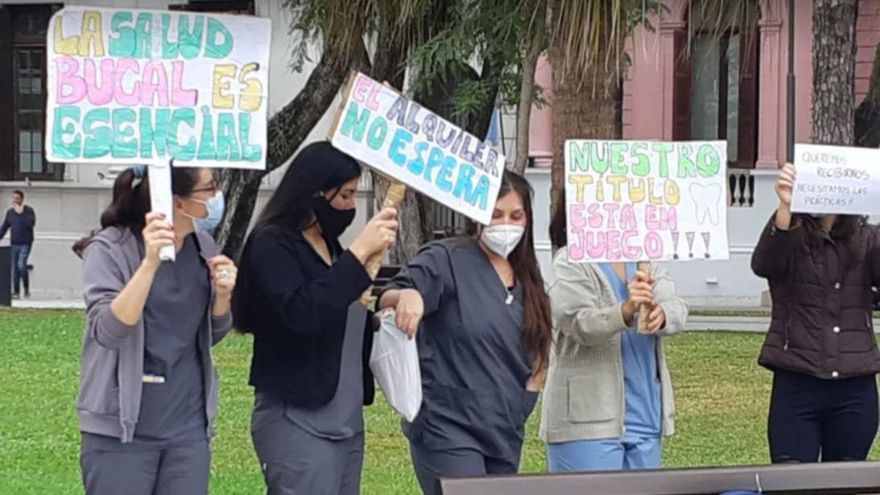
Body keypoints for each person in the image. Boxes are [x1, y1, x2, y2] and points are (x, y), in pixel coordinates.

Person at [232, 142, 398, 495]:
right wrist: (357, 255)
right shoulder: (272, 244)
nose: (351, 207)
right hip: (297, 415)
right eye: (345, 196)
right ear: (315, 192)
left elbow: (340, 310)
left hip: (346, 419)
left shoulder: (330, 246)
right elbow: (303, 312)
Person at [378, 170, 552, 495]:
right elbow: (391, 294)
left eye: (516, 216)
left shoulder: (528, 276)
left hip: (504, 430)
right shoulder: (446, 259)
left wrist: (525, 398)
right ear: (477, 217)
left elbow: (538, 346)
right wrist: (406, 297)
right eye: (495, 216)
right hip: (448, 426)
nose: (505, 226)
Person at [73, 165, 236, 495]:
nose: (217, 198)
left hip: (187, 426)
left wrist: (223, 297)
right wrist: (149, 264)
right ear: (175, 201)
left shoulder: (204, 247)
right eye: (209, 190)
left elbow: (209, 334)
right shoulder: (110, 249)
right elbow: (108, 331)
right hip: (121, 430)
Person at [541, 204, 688, 472]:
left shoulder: (646, 258)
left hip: (646, 418)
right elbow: (579, 322)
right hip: (586, 423)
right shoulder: (570, 261)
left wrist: (662, 314)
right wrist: (625, 311)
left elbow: (677, 306)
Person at [752, 162, 880, 463]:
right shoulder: (789, 232)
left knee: (844, 482)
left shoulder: (867, 238)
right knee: (793, 480)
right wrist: (785, 205)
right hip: (797, 382)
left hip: (854, 386)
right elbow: (764, 264)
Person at [0, 189, 36, 298]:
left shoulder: (28, 211)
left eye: (17, 198)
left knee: (21, 266)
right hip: (14, 242)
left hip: (26, 242)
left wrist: (20, 213)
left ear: (22, 199)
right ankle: (16, 292)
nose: (15, 201)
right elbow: (5, 226)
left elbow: (30, 224)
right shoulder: (10, 212)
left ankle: (26, 289)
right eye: (14, 198)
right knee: (15, 268)